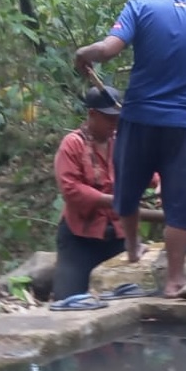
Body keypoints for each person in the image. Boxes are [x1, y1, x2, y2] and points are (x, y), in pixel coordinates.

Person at [74, 0, 186, 298]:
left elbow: (109, 49)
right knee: (178, 204)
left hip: (139, 117)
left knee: (128, 186)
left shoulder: (139, 7)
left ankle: (132, 247)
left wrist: (84, 53)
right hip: (183, 123)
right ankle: (173, 280)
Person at [51, 86, 125, 301]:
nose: (114, 124)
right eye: (109, 119)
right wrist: (111, 200)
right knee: (68, 300)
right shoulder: (72, 144)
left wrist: (158, 182)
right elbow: (71, 190)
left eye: (117, 119)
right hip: (80, 237)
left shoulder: (121, 142)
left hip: (117, 236)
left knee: (124, 297)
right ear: (92, 114)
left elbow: (143, 169)